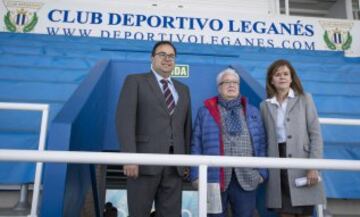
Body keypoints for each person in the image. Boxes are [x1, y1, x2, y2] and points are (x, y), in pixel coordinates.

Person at [116, 41, 192, 217]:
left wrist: (186, 160)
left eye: (171, 56)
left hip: (175, 166)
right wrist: (129, 157)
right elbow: (124, 120)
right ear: (152, 58)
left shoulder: (183, 89)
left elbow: (187, 127)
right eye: (162, 55)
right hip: (143, 164)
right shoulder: (135, 81)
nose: (167, 59)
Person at [190, 68, 268, 217]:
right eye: (227, 82)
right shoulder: (205, 112)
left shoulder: (253, 112)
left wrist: (262, 173)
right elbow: (196, 144)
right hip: (214, 178)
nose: (231, 85)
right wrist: (195, 175)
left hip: (247, 178)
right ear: (219, 87)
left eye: (235, 82)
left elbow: (261, 144)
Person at [260, 59, 326, 217]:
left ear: (291, 78)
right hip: (277, 164)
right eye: (277, 74)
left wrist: (313, 166)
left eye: (285, 74)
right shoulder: (265, 105)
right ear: (271, 80)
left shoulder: (305, 99)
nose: (282, 77)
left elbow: (315, 134)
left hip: (302, 162)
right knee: (284, 211)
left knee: (304, 212)